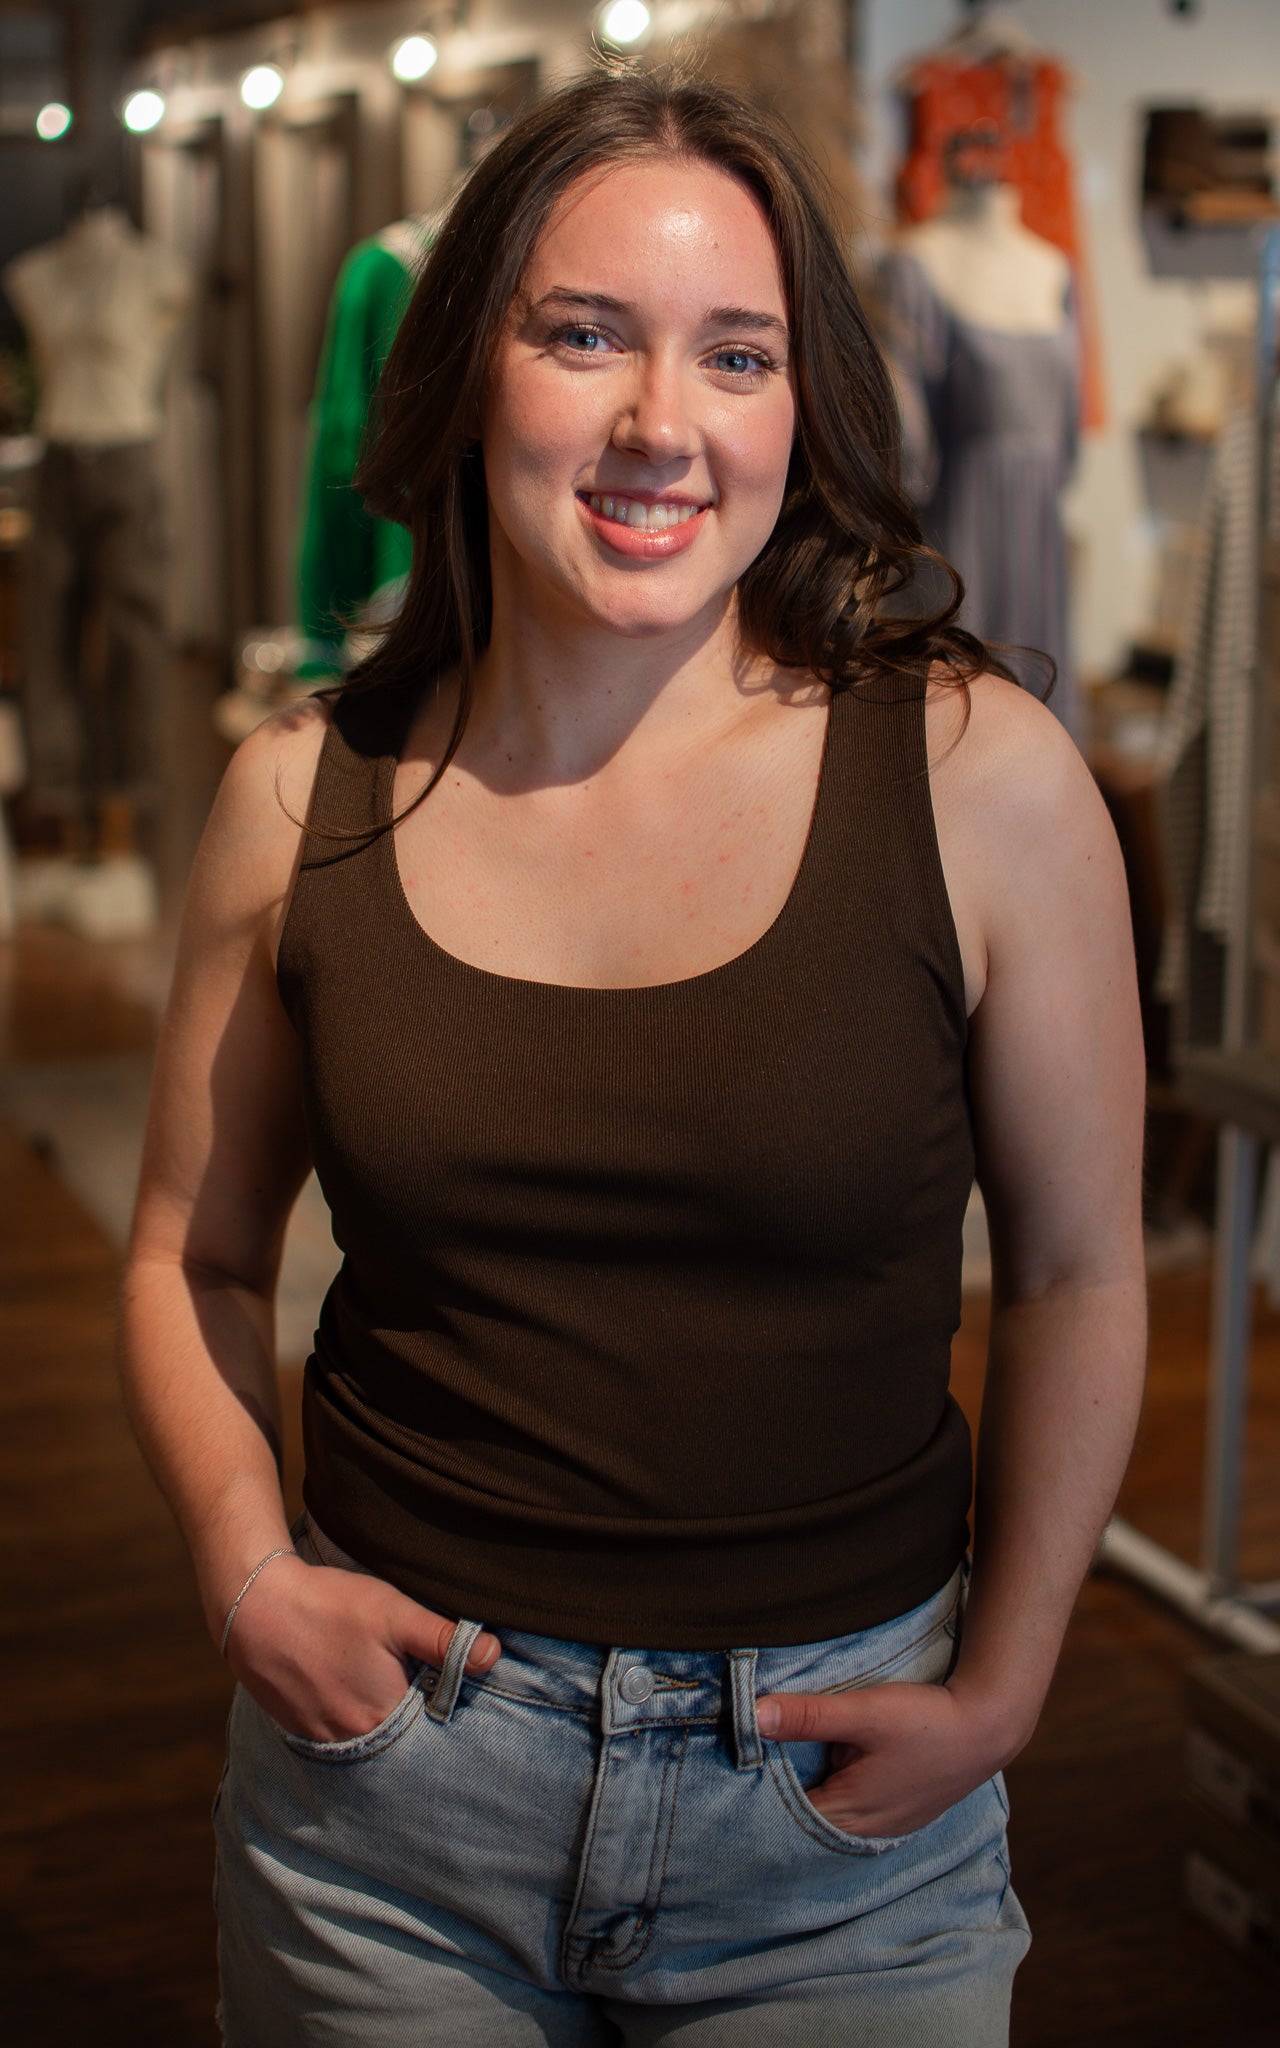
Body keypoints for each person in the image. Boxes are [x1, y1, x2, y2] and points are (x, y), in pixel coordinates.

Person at [119, 65, 1147, 2048]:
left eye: (736, 355)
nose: (663, 423)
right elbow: (190, 1252)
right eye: (584, 335)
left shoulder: (977, 778)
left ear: (801, 408)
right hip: (398, 1802)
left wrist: (1011, 1677)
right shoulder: (302, 797)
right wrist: (246, 1573)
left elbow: (1085, 1267)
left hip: (837, 1819)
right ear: (466, 372)